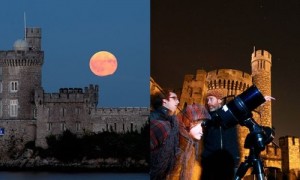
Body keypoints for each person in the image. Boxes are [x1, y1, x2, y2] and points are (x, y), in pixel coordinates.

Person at [201, 89, 239, 180]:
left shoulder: (229, 114)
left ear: (219, 100)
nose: (208, 102)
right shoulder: (206, 118)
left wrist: (260, 99)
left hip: (229, 163)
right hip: (210, 163)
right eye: (207, 100)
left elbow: (242, 107)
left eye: (211, 99)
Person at [168, 103, 211, 180]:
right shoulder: (178, 149)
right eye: (199, 125)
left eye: (203, 125)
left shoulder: (190, 146)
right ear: (189, 123)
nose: (202, 131)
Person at [150, 90, 180, 180]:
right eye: (174, 98)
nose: (178, 101)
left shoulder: (166, 120)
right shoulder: (159, 124)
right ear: (164, 101)